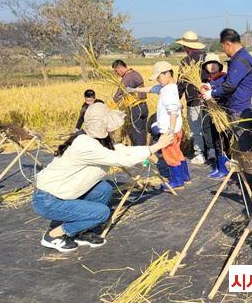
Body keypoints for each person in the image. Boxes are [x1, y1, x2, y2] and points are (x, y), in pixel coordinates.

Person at [33, 102, 173, 252]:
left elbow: (121, 150)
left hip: (60, 194)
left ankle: (82, 231)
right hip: (49, 200)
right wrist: (156, 147)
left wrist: (147, 150)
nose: (113, 131)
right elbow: (122, 159)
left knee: (103, 188)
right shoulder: (86, 146)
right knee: (102, 213)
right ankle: (54, 235)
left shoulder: (91, 140)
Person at [130, 61, 190, 190]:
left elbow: (173, 111)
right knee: (177, 153)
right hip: (176, 130)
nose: (158, 79)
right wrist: (134, 89)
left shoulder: (168, 92)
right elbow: (152, 89)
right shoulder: (169, 87)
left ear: (167, 74)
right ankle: (185, 177)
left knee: (170, 156)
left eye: (159, 77)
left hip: (169, 131)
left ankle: (177, 182)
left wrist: (170, 130)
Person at [200, 28, 252, 154]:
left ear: (228, 44)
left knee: (245, 145)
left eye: (223, 47)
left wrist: (212, 93)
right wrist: (211, 85)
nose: (223, 50)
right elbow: (228, 78)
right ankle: (244, 172)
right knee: (240, 143)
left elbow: (230, 84)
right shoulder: (238, 58)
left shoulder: (241, 59)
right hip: (237, 107)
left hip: (242, 109)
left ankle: (249, 172)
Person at [175, 30, 211, 165]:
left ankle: (200, 153)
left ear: (186, 47)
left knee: (196, 128)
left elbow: (181, 84)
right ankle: (212, 151)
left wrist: (177, 98)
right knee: (208, 126)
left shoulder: (186, 62)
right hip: (209, 98)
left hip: (193, 99)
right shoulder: (207, 58)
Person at [201, 53, 230, 179]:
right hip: (212, 114)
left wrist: (210, 89)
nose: (212, 66)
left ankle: (224, 168)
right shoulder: (208, 80)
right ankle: (219, 167)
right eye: (209, 64)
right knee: (215, 139)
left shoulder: (223, 78)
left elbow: (222, 90)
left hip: (222, 113)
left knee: (222, 140)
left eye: (214, 64)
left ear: (219, 66)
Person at [112, 59, 148, 146]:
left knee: (136, 134)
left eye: (116, 71)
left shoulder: (127, 78)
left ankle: (138, 156)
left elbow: (117, 97)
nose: (117, 74)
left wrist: (111, 106)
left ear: (120, 68)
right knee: (142, 133)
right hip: (144, 107)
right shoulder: (135, 73)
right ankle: (144, 155)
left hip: (136, 109)